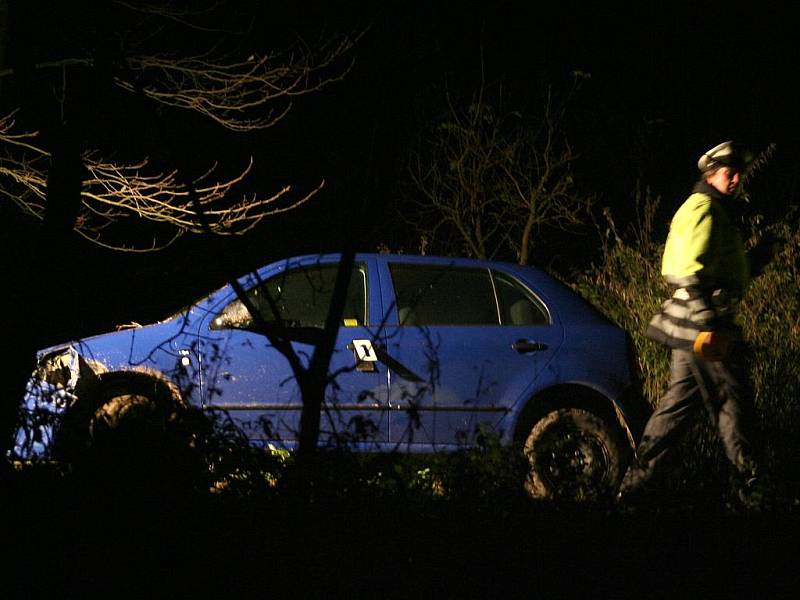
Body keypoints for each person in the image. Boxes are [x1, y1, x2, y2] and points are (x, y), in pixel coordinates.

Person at [617, 140, 763, 507]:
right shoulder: (701, 208)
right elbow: (683, 269)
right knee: (732, 403)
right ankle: (753, 488)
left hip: (693, 330)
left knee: (677, 409)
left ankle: (633, 489)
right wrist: (708, 322)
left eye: (738, 174)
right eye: (730, 173)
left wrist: (758, 258)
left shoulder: (715, 210)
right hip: (703, 330)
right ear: (711, 174)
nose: (736, 180)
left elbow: (723, 271)